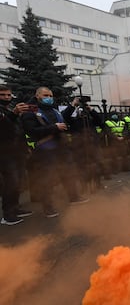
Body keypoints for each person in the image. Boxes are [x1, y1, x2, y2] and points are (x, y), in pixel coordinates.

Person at [22, 87, 88, 218]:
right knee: (47, 179)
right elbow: (32, 131)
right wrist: (54, 127)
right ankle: (48, 207)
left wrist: (71, 106)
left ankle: (74, 197)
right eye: (46, 95)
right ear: (37, 96)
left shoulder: (54, 110)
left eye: (50, 95)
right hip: (44, 150)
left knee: (69, 173)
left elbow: (63, 119)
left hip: (61, 148)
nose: (49, 97)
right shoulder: (31, 111)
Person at [0, 85, 33, 225]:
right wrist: (14, 114)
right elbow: (4, 128)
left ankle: (16, 208)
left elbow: (18, 131)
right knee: (10, 183)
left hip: (18, 152)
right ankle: (7, 215)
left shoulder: (9, 109)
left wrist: (25, 148)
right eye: (3, 95)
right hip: (5, 154)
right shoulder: (7, 111)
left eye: (9, 95)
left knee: (18, 182)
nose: (7, 97)